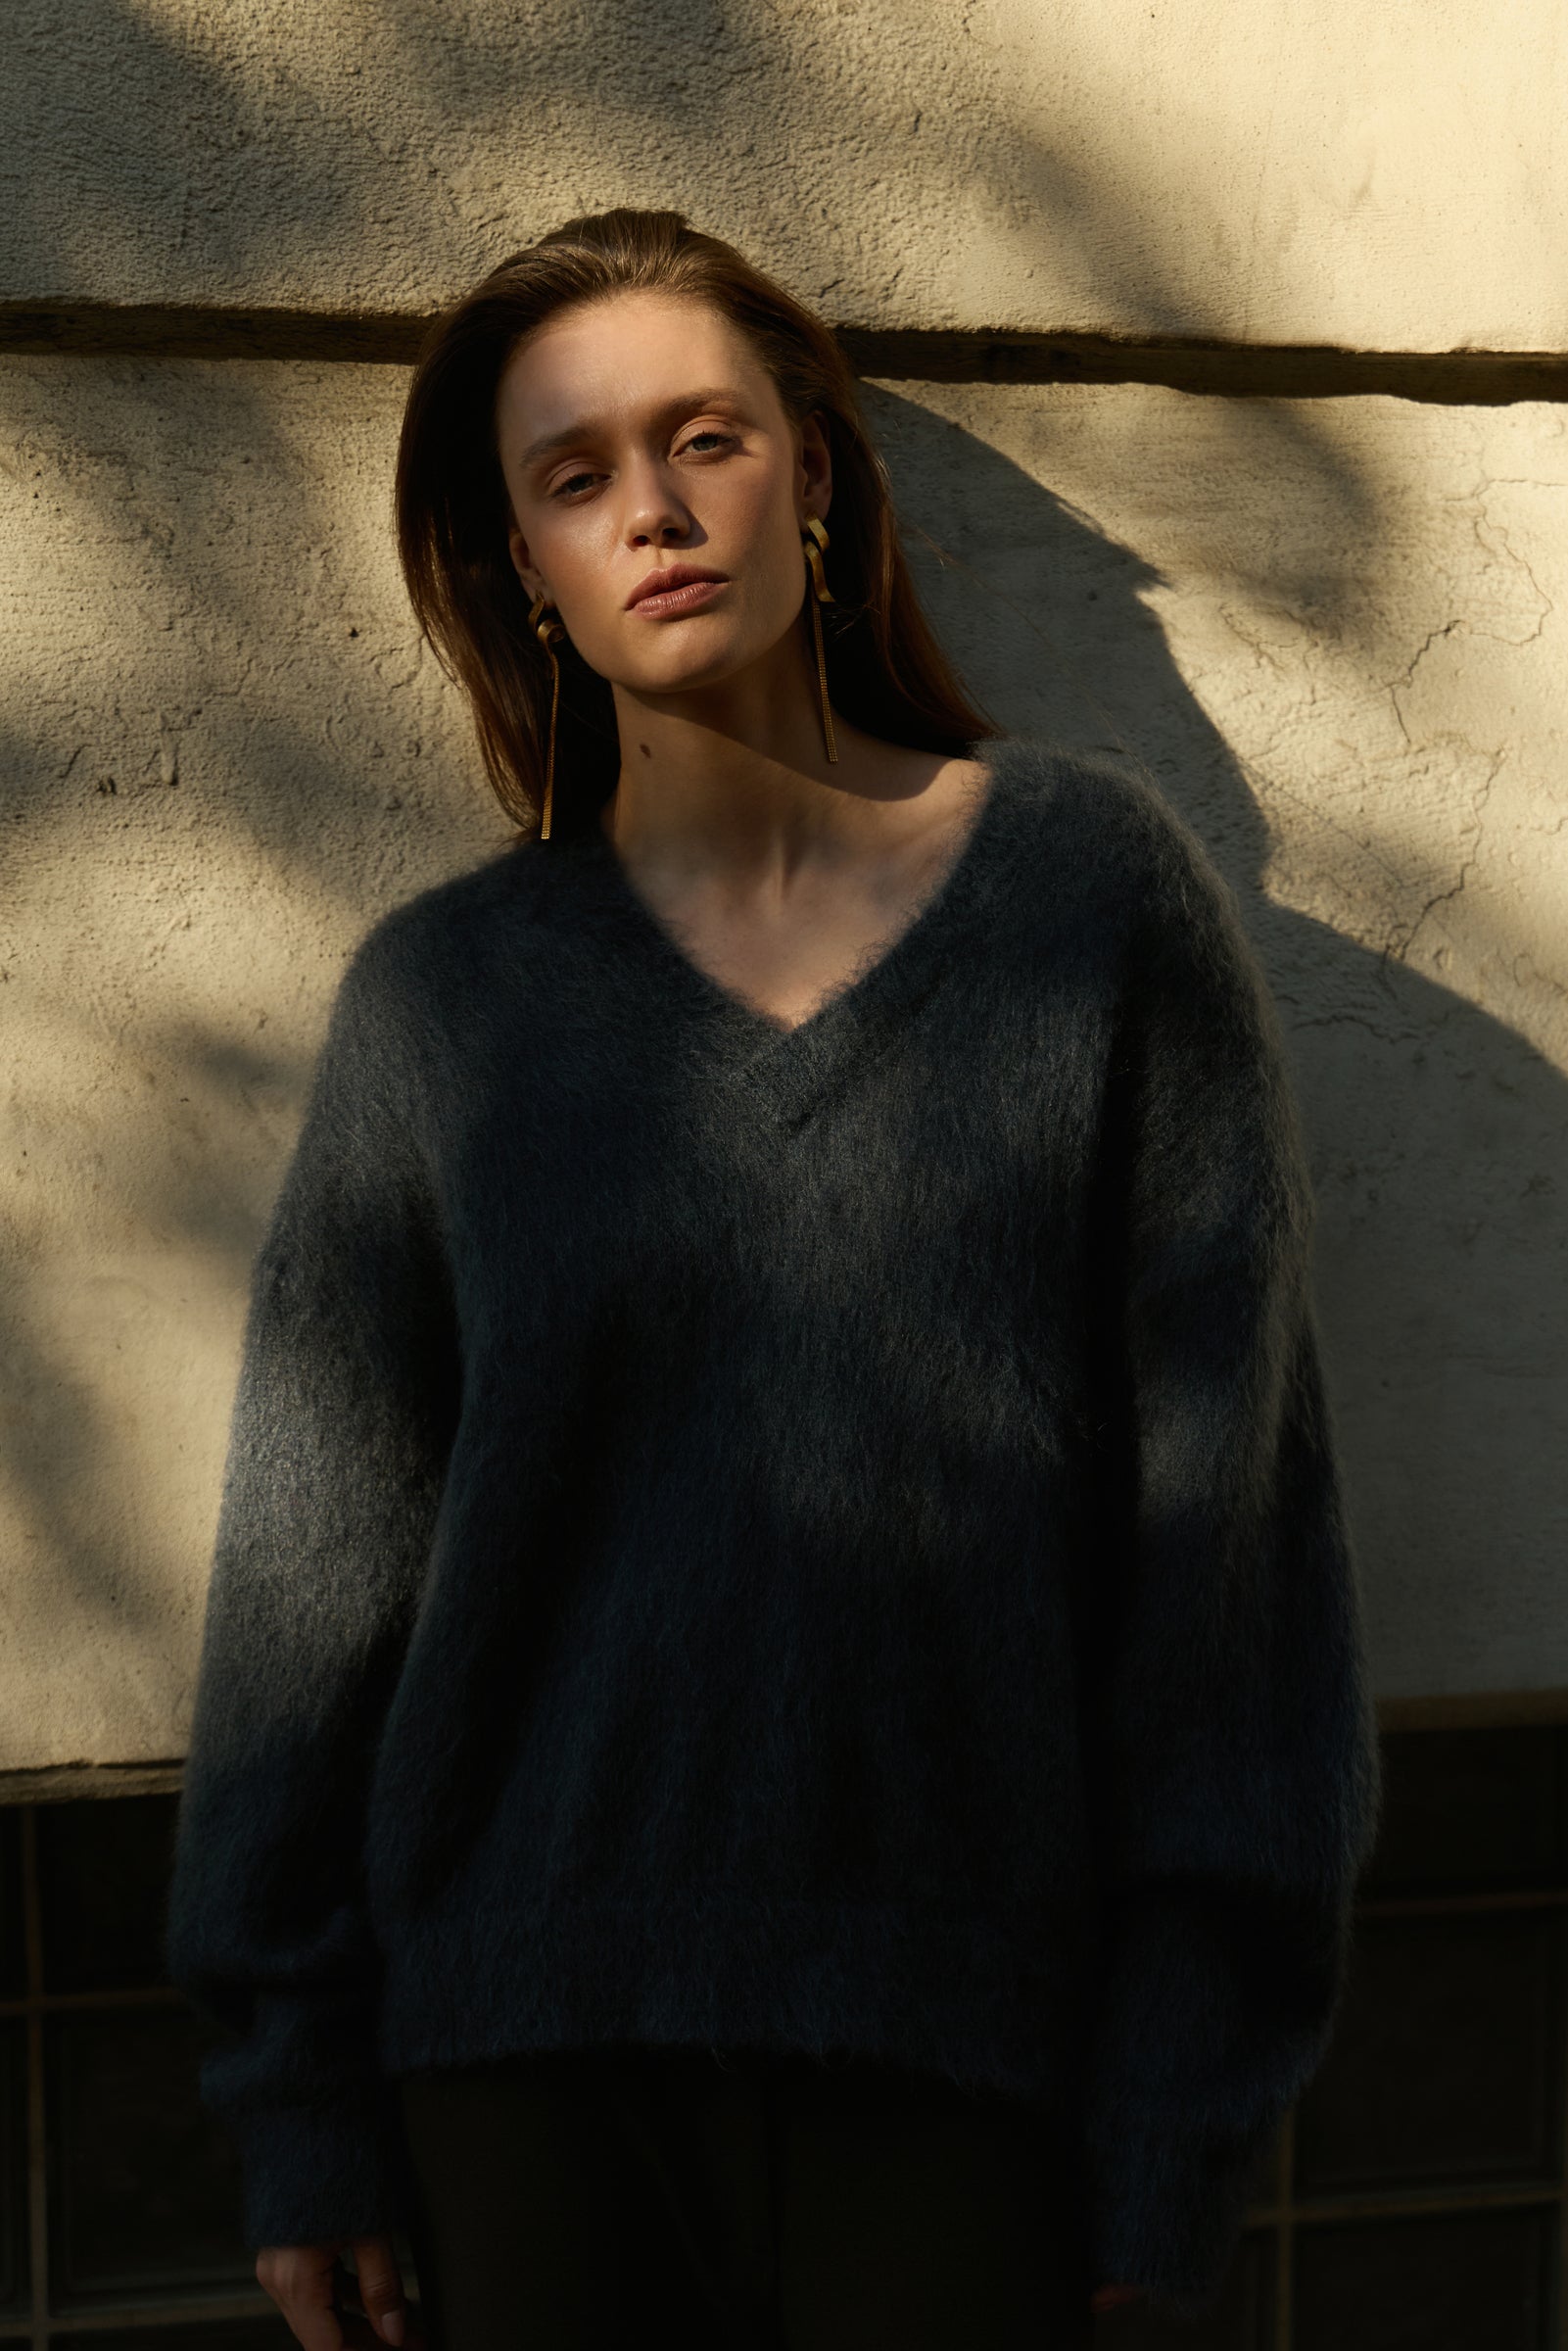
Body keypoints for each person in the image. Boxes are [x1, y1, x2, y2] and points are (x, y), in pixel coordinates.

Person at [165, 207, 1383, 2351]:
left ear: (811, 472)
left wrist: (1180, 2111)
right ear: (522, 567)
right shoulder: (446, 1003)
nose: (651, 509)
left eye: (703, 438)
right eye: (575, 476)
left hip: (975, 2068)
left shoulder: (1092, 904)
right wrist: (301, 2108)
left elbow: (1232, 1571)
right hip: (519, 2077)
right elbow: (308, 1594)